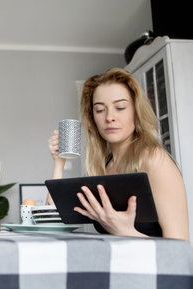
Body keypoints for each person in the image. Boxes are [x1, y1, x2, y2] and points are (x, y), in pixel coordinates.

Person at [47, 68, 189, 240]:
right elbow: (51, 218)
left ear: (136, 112)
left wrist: (126, 231)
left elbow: (180, 246)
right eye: (100, 110)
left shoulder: (154, 159)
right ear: (93, 119)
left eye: (120, 107)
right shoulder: (103, 167)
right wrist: (58, 162)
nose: (109, 117)